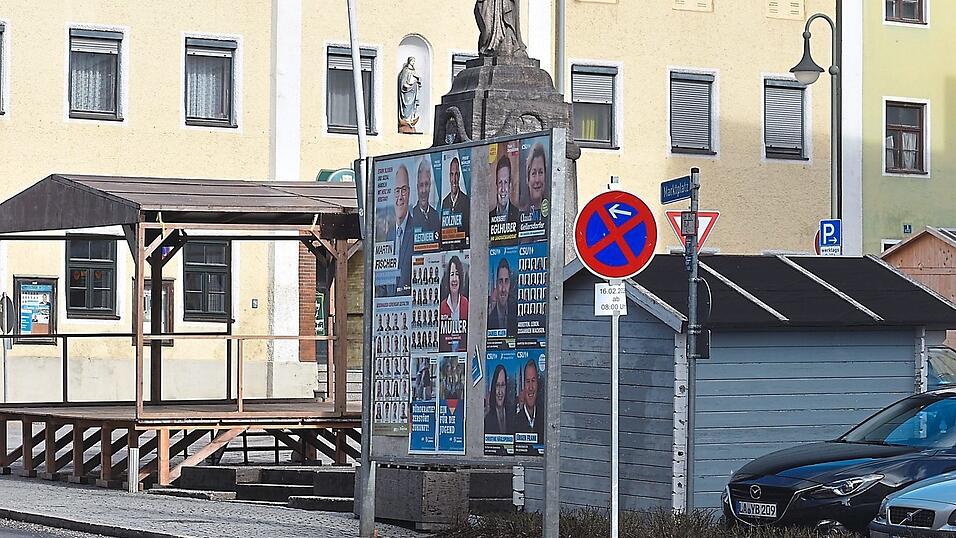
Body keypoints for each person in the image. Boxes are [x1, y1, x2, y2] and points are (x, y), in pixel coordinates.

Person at [385, 164, 414, 292]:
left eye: (404, 190)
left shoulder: (416, 230)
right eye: (397, 191)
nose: (400, 197)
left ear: (409, 192)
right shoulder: (389, 236)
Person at [514, 360, 543, 440]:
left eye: (533, 381)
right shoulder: (514, 422)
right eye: (528, 381)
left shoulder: (544, 419)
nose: (530, 387)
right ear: (523, 386)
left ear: (537, 384)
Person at [440, 156, 470, 236]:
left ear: (459, 176)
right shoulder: (445, 202)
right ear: (449, 176)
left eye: (456, 174)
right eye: (452, 174)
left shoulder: (466, 201)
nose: (454, 179)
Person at [412, 159, 440, 238]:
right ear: (417, 187)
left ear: (430, 186)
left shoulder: (436, 215)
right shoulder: (412, 216)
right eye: (421, 185)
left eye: (426, 184)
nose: (424, 191)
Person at [487, 257, 516, 333]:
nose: (503, 289)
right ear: (496, 284)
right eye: (500, 281)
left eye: (506, 281)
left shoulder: (516, 314)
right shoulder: (489, 319)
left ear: (510, 284)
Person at [489, 156, 519, 225]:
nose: (503, 189)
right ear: (496, 186)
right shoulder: (489, 217)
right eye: (500, 182)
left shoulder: (518, 214)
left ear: (510, 186)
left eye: (505, 182)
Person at [522, 143, 548, 219]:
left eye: (540, 172)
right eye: (533, 173)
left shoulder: (553, 211)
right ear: (527, 179)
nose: (537, 180)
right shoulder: (520, 212)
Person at [439, 256, 469, 322]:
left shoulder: (466, 304)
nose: (454, 279)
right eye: (452, 274)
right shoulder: (442, 306)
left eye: (457, 274)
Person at [484, 365, 512, 434]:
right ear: (494, 388)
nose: (500, 392)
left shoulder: (512, 417)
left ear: (506, 387)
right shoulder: (488, 420)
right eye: (497, 385)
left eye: (502, 385)